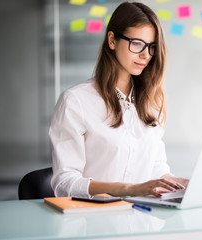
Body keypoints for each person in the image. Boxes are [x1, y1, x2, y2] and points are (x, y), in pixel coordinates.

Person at [49, 2, 189, 198]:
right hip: (94, 221)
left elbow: (155, 167)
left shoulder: (151, 102)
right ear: (112, 40)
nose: (146, 55)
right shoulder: (75, 101)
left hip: (144, 216)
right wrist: (129, 189)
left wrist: (180, 183)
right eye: (137, 43)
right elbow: (65, 184)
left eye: (152, 47)